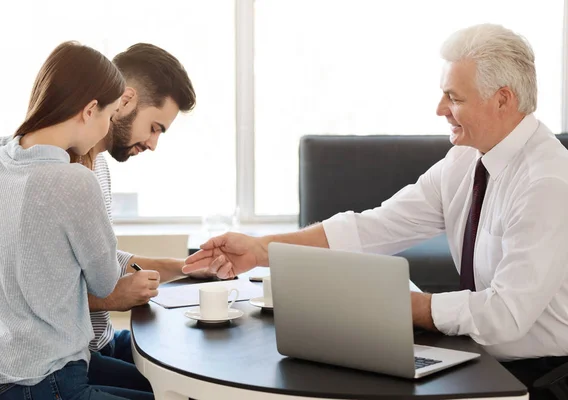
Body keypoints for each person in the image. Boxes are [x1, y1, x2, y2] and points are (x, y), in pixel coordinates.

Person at [183, 24, 568, 399]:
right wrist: (260, 250)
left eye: (455, 97)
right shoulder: (464, 161)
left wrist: (399, 307)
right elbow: (373, 228)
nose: (440, 109)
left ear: (503, 99)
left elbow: (506, 314)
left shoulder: (546, 183)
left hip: (541, 376)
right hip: (487, 355)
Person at [0, 43, 211, 396]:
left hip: (93, 344)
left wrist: (184, 267)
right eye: (154, 127)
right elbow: (36, 287)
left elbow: (100, 262)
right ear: (124, 101)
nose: (153, 144)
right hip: (58, 363)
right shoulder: (57, 175)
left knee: (191, 364)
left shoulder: (96, 166)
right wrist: (112, 297)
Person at [0, 42, 137, 400]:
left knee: (148, 383)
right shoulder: (75, 180)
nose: (106, 129)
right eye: (108, 117)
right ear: (89, 109)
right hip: (48, 381)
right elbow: (106, 281)